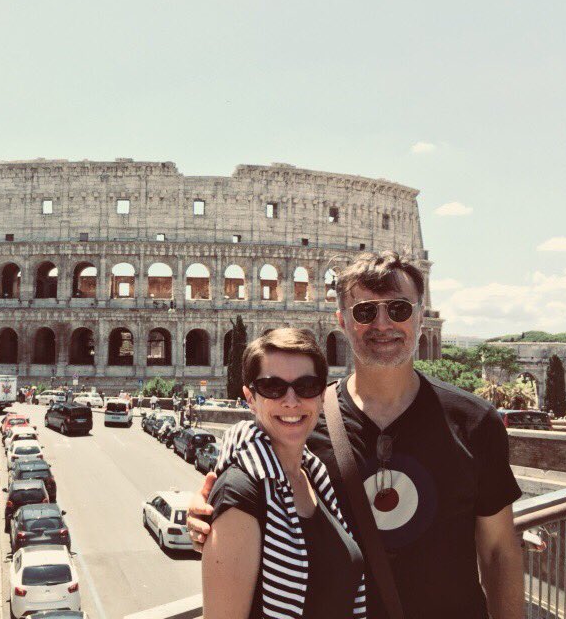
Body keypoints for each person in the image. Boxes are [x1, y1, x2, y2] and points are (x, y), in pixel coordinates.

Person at [188, 251, 524, 619]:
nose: (382, 324)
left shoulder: (476, 422)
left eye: (399, 309)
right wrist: (210, 513)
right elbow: (246, 475)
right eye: (365, 312)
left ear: (421, 317)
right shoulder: (303, 423)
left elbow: (499, 552)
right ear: (342, 322)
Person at [203, 328, 364, 618]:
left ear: (321, 394)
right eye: (273, 387)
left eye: (307, 385)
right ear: (250, 398)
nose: (291, 400)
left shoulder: (316, 476)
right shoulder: (240, 492)